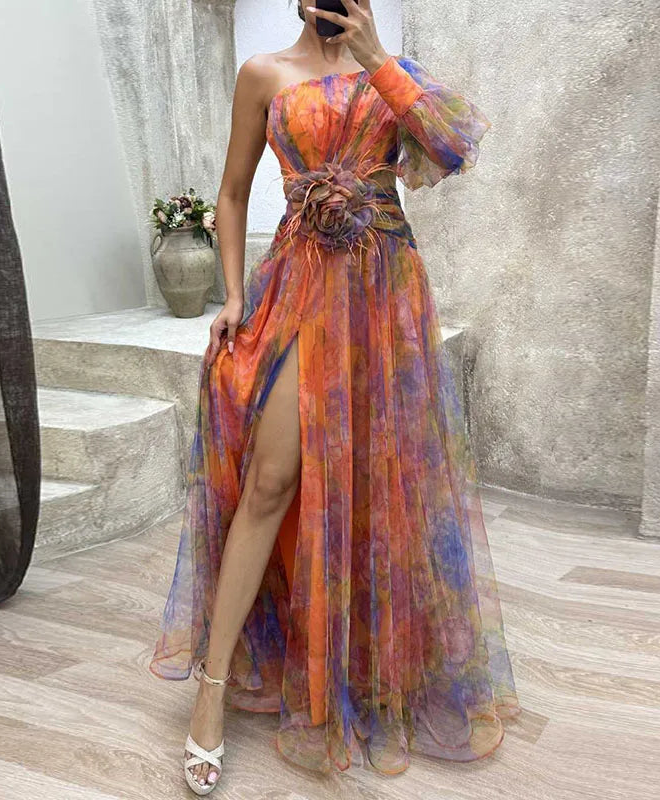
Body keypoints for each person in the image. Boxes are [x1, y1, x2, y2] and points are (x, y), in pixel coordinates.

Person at [149, 0, 521, 794]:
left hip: (385, 292)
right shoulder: (264, 74)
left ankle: (365, 664)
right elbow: (232, 194)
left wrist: (379, 57)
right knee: (271, 478)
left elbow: (451, 150)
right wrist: (232, 295)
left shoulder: (395, 73)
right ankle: (211, 689)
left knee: (383, 481)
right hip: (297, 286)